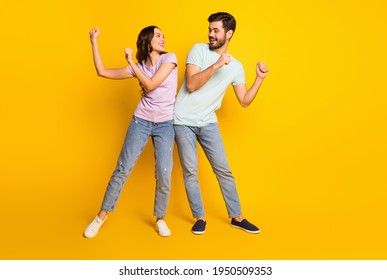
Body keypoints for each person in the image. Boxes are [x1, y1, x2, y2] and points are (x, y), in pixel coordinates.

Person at [174, 12, 269, 234]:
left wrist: (259, 79)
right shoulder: (198, 50)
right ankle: (199, 217)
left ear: (229, 33)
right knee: (190, 171)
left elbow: (244, 101)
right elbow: (190, 84)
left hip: (207, 122)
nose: (211, 34)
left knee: (224, 170)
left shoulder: (236, 66)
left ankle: (237, 217)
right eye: (210, 29)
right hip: (182, 121)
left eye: (215, 30)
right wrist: (216, 65)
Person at [84, 26, 178, 238]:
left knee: (164, 172)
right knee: (122, 169)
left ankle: (160, 218)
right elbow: (102, 72)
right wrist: (94, 43)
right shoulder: (140, 66)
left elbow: (151, 85)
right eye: (158, 35)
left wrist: (129, 63)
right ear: (147, 41)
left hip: (165, 124)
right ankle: (100, 217)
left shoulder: (169, 59)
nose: (163, 38)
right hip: (141, 121)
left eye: (164, 35)